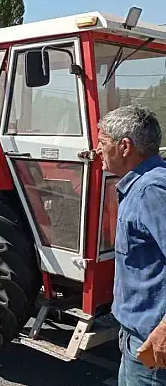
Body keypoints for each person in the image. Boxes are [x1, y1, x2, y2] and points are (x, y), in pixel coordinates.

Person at [96, 105, 166, 385]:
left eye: (103, 143)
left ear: (125, 146)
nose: (97, 150)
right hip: (136, 335)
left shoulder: (152, 190)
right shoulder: (142, 185)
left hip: (151, 341)